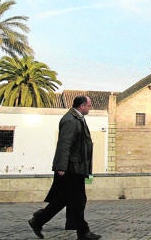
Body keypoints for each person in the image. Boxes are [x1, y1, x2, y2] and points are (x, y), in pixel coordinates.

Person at [28, 96, 101, 240]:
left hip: (76, 167)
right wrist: (61, 166)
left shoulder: (77, 118)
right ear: (81, 106)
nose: (90, 108)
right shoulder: (70, 120)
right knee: (78, 200)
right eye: (89, 105)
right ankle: (83, 232)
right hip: (71, 168)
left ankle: (38, 220)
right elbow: (64, 144)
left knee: (62, 200)